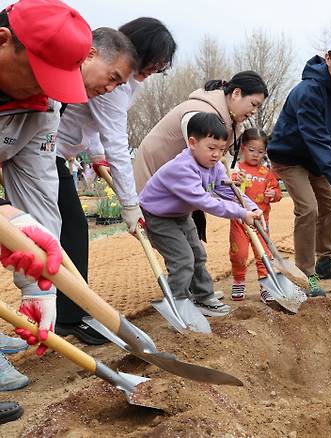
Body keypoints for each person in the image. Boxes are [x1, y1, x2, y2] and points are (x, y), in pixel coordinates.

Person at [0, 0, 90, 415]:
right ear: (3, 42)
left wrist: (40, 288)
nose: (45, 89)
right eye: (40, 75)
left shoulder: (43, 106)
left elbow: (38, 196)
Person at [53, 26, 137, 345]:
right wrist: (129, 203)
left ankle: (68, 312)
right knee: (70, 228)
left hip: (45, 156)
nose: (112, 87)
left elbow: (86, 127)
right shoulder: (53, 80)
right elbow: (113, 137)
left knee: (63, 231)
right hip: (43, 157)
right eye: (113, 77)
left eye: (120, 83)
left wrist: (96, 154)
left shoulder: (76, 90)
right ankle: (69, 314)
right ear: (91, 54)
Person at [267, 29, 331, 297]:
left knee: (329, 206)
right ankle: (304, 274)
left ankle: (326, 260)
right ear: (328, 57)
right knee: (308, 208)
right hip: (290, 155)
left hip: (316, 156)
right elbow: (315, 138)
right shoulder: (309, 91)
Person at [139, 112, 262, 317]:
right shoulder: (182, 168)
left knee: (198, 253)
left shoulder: (214, 166)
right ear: (193, 143)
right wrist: (240, 213)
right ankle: (178, 302)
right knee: (183, 259)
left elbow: (229, 191)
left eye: (221, 149)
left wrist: (250, 208)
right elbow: (206, 202)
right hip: (158, 217)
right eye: (211, 148)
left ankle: (203, 296)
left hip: (180, 214)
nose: (216, 154)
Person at [133, 71, 269, 242]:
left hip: (184, 186)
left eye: (258, 107)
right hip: (156, 176)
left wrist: (249, 206)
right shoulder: (200, 114)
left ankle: (192, 266)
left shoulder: (230, 122)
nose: (254, 111)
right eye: (253, 104)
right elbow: (203, 173)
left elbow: (219, 177)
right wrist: (239, 209)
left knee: (192, 247)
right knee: (176, 246)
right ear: (236, 93)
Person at [229, 129, 282, 303]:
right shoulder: (236, 170)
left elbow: (278, 193)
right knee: (239, 254)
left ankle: (266, 286)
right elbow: (227, 188)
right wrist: (235, 179)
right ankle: (238, 280)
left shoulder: (267, 173)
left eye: (260, 152)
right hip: (240, 222)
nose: (255, 155)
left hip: (261, 223)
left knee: (264, 254)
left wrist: (273, 194)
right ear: (243, 148)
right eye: (251, 150)